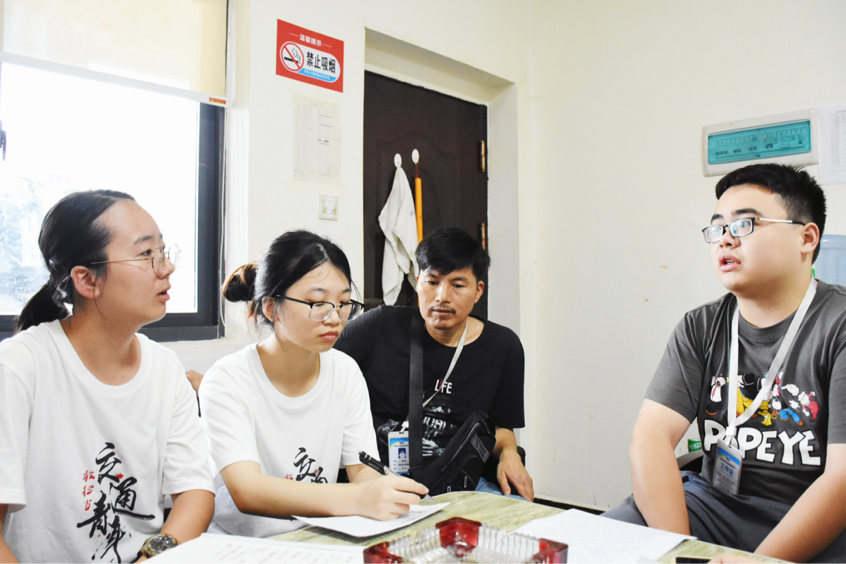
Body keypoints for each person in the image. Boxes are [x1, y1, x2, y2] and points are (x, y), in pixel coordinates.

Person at [604, 164, 846, 563]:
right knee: (598, 547)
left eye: (745, 224)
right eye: (717, 228)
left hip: (817, 521)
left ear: (806, 238)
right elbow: (650, 438)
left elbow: (841, 478)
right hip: (714, 506)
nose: (726, 240)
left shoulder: (837, 325)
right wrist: (683, 553)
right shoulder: (700, 326)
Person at [0, 190, 215, 563]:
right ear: (87, 281)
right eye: (145, 254)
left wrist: (151, 557)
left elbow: (195, 492)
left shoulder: (164, 368)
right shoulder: (20, 367)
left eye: (163, 251)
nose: (166, 267)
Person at [198, 230, 428, 538]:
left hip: (318, 535)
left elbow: (363, 470)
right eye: (317, 302)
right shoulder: (228, 380)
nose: (335, 317)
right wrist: (359, 498)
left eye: (343, 302)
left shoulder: (345, 371)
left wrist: (386, 495)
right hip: (242, 544)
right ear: (271, 307)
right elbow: (247, 491)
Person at [335, 226, 534, 500]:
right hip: (382, 479)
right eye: (432, 282)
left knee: (520, 513)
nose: (442, 296)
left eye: (457, 285)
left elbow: (501, 428)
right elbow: (322, 368)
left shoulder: (503, 346)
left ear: (478, 291)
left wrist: (510, 453)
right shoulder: (379, 327)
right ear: (418, 282)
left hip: (462, 483)